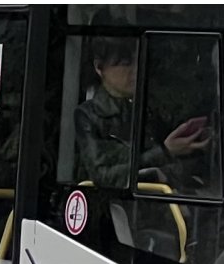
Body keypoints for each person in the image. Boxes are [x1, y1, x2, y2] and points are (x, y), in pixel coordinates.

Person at [73, 36, 209, 188]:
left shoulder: (151, 104)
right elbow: (103, 176)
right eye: (126, 64)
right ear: (99, 68)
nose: (135, 70)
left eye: (137, 61)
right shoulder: (89, 115)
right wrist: (164, 153)